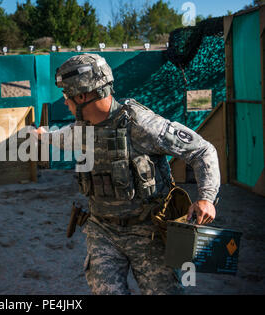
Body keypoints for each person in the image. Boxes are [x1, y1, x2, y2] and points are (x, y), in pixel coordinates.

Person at [35, 54, 220, 295]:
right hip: (102, 231)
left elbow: (202, 150)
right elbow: (60, 137)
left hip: (149, 233)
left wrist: (206, 197)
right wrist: (41, 135)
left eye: (67, 97)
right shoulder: (82, 129)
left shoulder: (140, 124)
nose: (66, 103)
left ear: (82, 96)